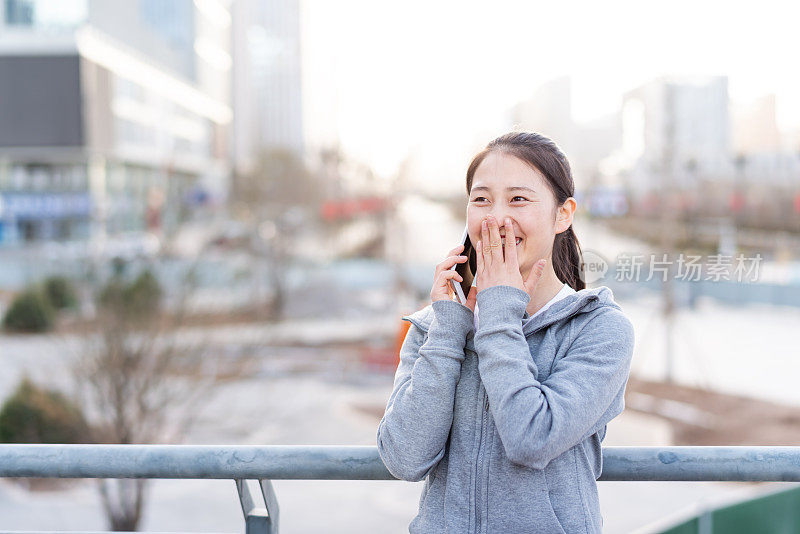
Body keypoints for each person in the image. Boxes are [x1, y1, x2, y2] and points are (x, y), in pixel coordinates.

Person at [376, 131, 635, 533]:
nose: (496, 219)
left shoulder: (599, 328)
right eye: (481, 199)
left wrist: (498, 314)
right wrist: (449, 332)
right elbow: (404, 458)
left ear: (563, 214)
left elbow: (532, 438)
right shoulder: (437, 325)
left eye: (518, 199)